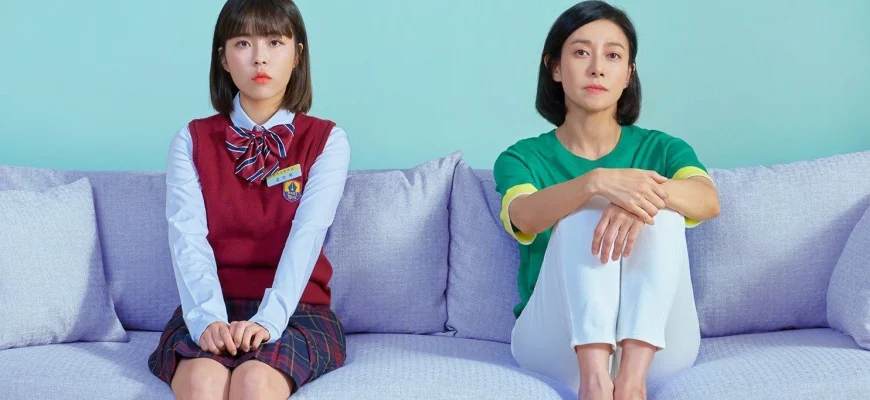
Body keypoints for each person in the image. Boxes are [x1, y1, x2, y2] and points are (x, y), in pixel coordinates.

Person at [493, 2, 720, 399]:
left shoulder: (663, 148)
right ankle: (595, 383)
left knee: (662, 213)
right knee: (586, 211)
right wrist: (596, 183)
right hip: (557, 345)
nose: (597, 68)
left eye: (613, 56)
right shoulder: (521, 157)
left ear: (628, 74)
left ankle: (631, 383)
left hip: (656, 347)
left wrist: (638, 200)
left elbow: (708, 200)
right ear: (555, 67)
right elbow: (524, 217)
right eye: (581, 52)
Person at [148, 0, 350, 398]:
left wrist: (268, 321)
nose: (259, 58)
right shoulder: (191, 139)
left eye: (275, 42)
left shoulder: (328, 140)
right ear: (223, 58)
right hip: (210, 307)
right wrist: (208, 320)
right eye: (243, 43)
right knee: (203, 381)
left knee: (253, 382)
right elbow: (186, 237)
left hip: (297, 310)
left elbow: (307, 235)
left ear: (297, 54)